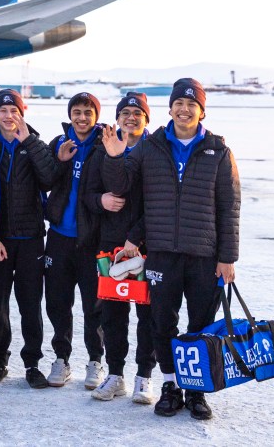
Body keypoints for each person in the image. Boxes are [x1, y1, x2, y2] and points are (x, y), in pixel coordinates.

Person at [101, 79, 240, 421]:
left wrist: (227, 258)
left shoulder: (218, 151)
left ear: (201, 111)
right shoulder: (152, 147)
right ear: (170, 109)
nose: (184, 109)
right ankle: (169, 385)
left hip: (204, 254)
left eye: (191, 104)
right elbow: (123, 187)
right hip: (162, 251)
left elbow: (230, 207)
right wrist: (117, 159)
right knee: (163, 323)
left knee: (201, 325)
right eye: (179, 103)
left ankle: (196, 390)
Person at [0, 89, 62, 388]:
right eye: (2, 111)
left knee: (30, 303)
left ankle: (32, 363)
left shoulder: (34, 144)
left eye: (13, 110)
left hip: (30, 238)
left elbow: (50, 179)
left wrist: (28, 141)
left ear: (22, 113)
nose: (8, 116)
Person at [83, 92, 156, 403]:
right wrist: (101, 200)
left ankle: (144, 376)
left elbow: (159, 201)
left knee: (148, 313)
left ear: (146, 118)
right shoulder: (103, 149)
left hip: (148, 245)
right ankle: (115, 375)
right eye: (125, 111)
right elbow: (88, 193)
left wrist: (137, 236)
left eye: (137, 112)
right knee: (112, 314)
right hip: (112, 245)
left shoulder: (156, 151)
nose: (130, 116)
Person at [41, 92, 106, 390]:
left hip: (91, 239)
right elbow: (45, 183)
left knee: (94, 305)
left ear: (95, 116)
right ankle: (61, 358)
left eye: (87, 112)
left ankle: (96, 360)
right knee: (57, 302)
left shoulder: (105, 144)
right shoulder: (59, 143)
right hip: (59, 237)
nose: (81, 118)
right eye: (76, 112)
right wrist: (59, 162)